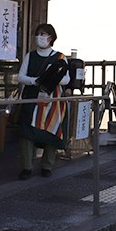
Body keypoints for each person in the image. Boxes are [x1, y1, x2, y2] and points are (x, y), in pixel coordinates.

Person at [16, 23, 70, 180]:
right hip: (31, 99)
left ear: (51, 37)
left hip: (53, 101)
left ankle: (47, 165)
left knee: (51, 131)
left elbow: (67, 79)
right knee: (26, 132)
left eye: (43, 34)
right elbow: (20, 77)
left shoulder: (60, 57)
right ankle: (26, 167)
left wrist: (52, 79)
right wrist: (36, 81)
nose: (40, 37)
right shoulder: (30, 56)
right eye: (38, 33)